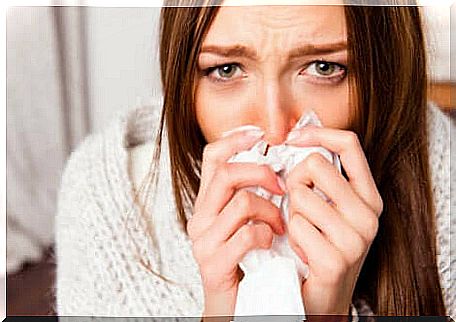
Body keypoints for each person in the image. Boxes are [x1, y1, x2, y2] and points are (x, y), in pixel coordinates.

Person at [55, 0, 455, 319]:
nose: (275, 128)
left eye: (324, 67)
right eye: (226, 70)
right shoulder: (106, 200)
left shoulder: (439, 176)